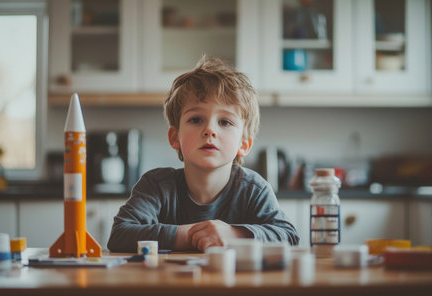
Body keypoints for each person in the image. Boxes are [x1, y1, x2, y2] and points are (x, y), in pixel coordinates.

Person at [107, 56, 299, 252]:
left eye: (225, 122)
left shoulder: (253, 190)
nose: (210, 130)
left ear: (244, 144)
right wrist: (192, 236)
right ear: (175, 137)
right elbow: (120, 234)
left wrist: (233, 235)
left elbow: (288, 236)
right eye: (196, 119)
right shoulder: (156, 186)